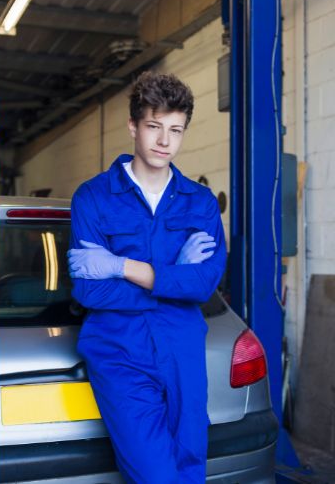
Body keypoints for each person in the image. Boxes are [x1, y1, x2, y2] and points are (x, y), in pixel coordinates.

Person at [66, 72, 226, 482]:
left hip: (182, 347)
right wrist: (175, 277)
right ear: (134, 126)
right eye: (155, 126)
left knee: (190, 465)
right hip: (119, 349)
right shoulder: (93, 197)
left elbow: (205, 284)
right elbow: (90, 290)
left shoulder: (200, 202)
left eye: (176, 130)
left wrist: (121, 267)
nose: (164, 141)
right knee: (154, 473)